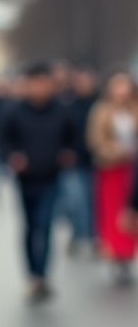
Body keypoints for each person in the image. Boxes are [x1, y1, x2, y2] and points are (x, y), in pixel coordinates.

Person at [2, 63, 76, 302]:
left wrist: (68, 154)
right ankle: (32, 274)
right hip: (26, 179)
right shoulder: (15, 111)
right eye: (35, 83)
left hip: (51, 176)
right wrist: (12, 157)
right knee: (29, 226)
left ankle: (42, 276)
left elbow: (74, 139)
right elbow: (3, 140)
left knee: (45, 225)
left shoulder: (61, 110)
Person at [86, 72, 138, 284]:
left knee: (131, 209)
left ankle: (128, 253)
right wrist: (116, 151)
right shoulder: (101, 111)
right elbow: (95, 139)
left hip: (133, 167)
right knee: (113, 211)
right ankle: (116, 254)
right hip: (111, 168)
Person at [61, 67, 99, 254]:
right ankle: (77, 234)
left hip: (97, 161)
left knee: (93, 201)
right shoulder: (69, 105)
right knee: (74, 202)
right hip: (75, 161)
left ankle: (93, 237)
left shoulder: (99, 104)